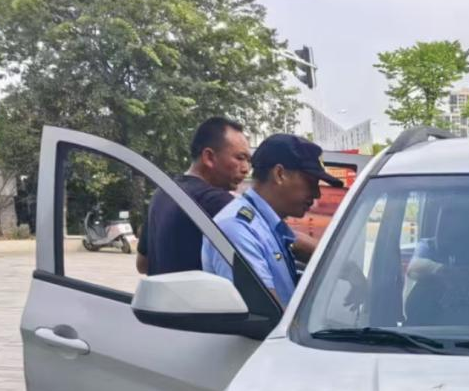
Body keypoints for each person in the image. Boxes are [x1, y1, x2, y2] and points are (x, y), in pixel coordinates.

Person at [202, 134, 342, 307]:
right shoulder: (237, 228)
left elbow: (298, 243)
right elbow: (266, 313)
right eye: (310, 183)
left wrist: (345, 266)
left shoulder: (267, 225)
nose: (316, 194)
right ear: (279, 174)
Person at [136, 117, 252, 275]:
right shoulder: (218, 202)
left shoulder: (162, 192)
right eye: (240, 158)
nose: (246, 169)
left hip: (162, 291)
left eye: (248, 160)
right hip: (202, 293)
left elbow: (142, 264)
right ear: (209, 157)